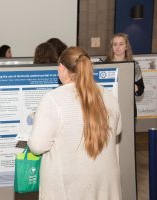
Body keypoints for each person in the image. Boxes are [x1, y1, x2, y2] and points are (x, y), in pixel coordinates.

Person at [28, 47, 122, 200]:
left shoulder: (53, 99)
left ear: (61, 69)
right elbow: (117, 130)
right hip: (104, 185)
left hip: (68, 187)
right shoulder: (109, 96)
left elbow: (37, 146)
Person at [105, 32, 144, 117]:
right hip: (108, 110)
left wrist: (136, 88)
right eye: (115, 44)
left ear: (126, 46)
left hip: (128, 108)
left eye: (121, 44)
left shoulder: (134, 65)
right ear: (111, 47)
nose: (117, 47)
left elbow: (141, 90)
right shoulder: (104, 65)